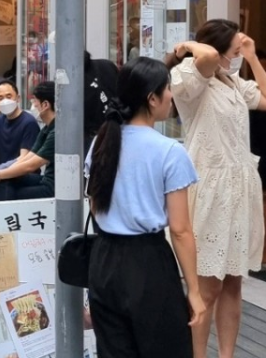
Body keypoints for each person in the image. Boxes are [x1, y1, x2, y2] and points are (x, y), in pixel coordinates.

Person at [166, 20, 266, 358]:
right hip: (210, 187)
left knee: (234, 281)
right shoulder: (190, 73)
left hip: (239, 187)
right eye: (233, 48)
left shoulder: (231, 80)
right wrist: (187, 45)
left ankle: (226, 355)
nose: (235, 54)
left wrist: (252, 57)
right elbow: (209, 55)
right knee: (207, 287)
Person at [85, 57, 206, 357]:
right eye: (167, 89)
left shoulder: (102, 142)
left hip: (103, 261)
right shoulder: (169, 152)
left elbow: (95, 205)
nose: (171, 95)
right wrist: (194, 290)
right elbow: (180, 231)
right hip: (148, 264)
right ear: (152, 99)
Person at [0, 81, 55, 201]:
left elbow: (31, 165)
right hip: (45, 179)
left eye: (34, 102)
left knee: (8, 191)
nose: (33, 106)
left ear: (45, 105)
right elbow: (27, 158)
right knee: (7, 180)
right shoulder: (47, 129)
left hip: (53, 186)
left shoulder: (57, 132)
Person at [0, 80, 39, 180]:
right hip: (2, 174)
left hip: (23, 176)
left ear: (18, 98)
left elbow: (24, 157)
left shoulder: (29, 122)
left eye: (9, 96)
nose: (5, 101)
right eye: (0, 98)